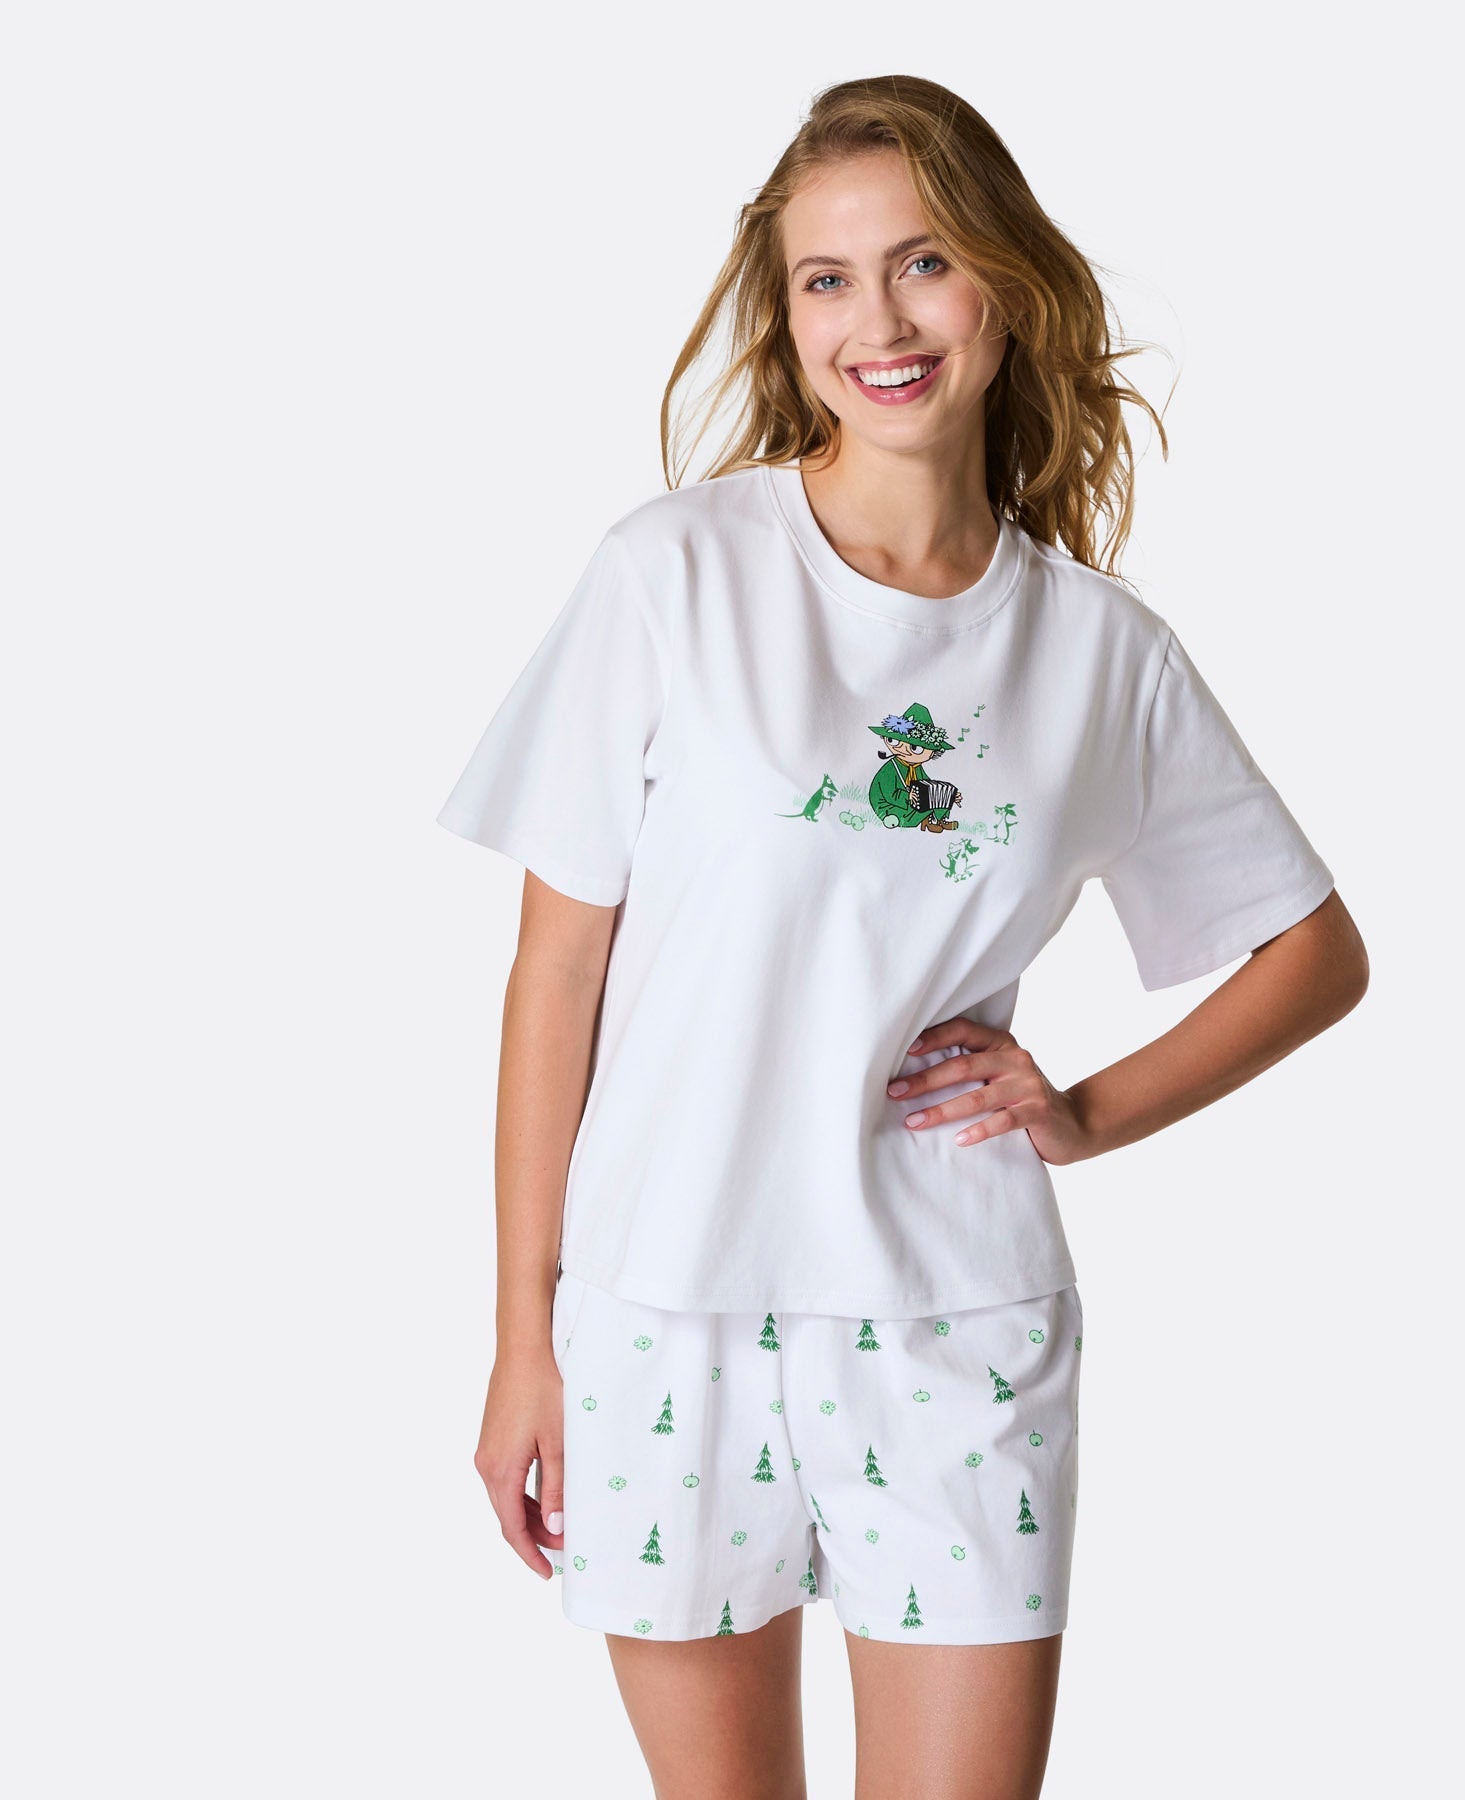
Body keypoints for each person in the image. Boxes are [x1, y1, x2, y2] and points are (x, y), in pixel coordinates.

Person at [438, 73, 1368, 1800]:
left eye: (923, 262)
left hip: (952, 1316)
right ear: (787, 318)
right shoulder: (672, 576)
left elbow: (1313, 951)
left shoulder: (1099, 653)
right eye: (828, 279)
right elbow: (554, 974)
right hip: (665, 1313)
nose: (879, 320)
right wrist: (521, 1337)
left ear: (1004, 284)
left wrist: (1084, 1112)